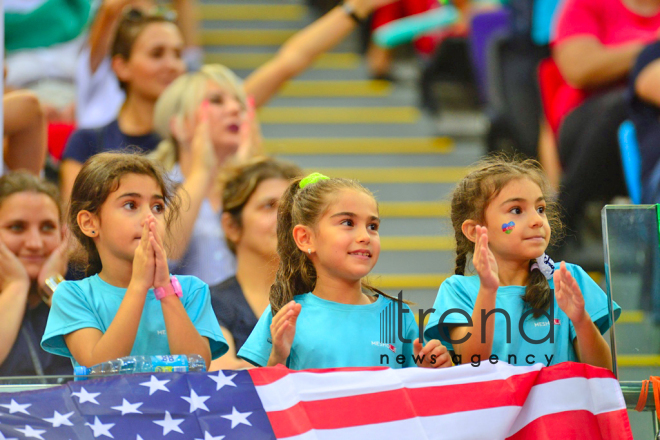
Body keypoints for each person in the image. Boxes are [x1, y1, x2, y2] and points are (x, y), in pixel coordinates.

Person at [238, 173, 452, 370]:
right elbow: (265, 397)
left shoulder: (397, 316)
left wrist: (430, 371)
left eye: (373, 226)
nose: (365, 236)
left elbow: (415, 392)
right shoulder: (285, 313)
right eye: (348, 223)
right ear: (305, 238)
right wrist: (278, 357)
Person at [424, 156, 620, 369]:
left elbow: (603, 372)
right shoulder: (458, 290)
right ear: (474, 231)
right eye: (516, 210)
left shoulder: (568, 279)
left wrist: (581, 320)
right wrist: (489, 290)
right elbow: (473, 362)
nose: (537, 220)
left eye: (540, 209)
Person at [41, 152, 227, 369]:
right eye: (131, 205)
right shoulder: (73, 296)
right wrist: (139, 285)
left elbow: (197, 366)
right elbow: (99, 367)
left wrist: (165, 289)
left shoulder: (192, 290)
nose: (150, 219)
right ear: (89, 223)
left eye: (157, 207)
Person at [551, 0, 660, 246]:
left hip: (647, 128)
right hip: (589, 125)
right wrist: (651, 46)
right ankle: (562, 219)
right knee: (622, 105)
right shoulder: (588, 5)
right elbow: (578, 69)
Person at [60, 6, 187, 204]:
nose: (172, 65)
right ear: (121, 67)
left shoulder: (194, 140)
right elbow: (74, 228)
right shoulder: (86, 143)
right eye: (157, 54)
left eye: (178, 54)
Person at [209, 157, 302, 370]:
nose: (286, 217)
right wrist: (276, 361)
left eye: (292, 207)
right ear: (231, 226)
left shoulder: (321, 296)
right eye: (269, 206)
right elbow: (221, 374)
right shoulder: (210, 302)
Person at [0, 172, 71, 376]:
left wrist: (53, 285)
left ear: (63, 235)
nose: (35, 243)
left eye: (47, 228)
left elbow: (103, 362)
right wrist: (16, 285)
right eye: (16, 227)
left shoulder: (84, 290)